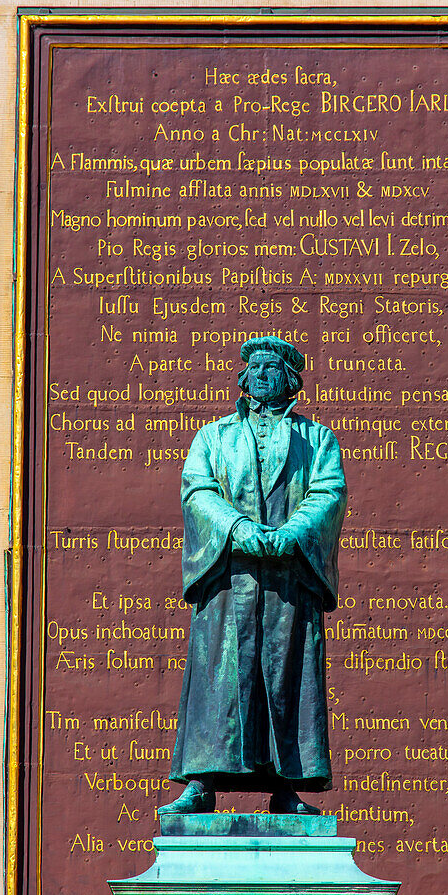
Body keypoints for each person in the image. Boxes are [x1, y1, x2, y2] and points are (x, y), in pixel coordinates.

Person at [158, 337, 347, 815]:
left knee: (288, 676)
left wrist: (293, 533)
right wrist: (236, 528)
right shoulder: (213, 436)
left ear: (292, 380)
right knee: (218, 682)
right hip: (230, 576)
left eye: (272, 367)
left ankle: (287, 787)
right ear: (243, 380)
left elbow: (328, 491)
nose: (262, 374)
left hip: (288, 578)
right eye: (255, 367)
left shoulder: (316, 438)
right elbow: (197, 490)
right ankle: (201, 782)